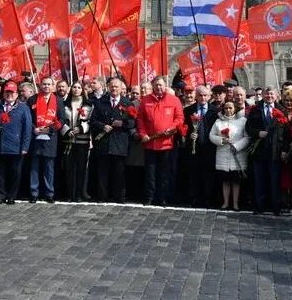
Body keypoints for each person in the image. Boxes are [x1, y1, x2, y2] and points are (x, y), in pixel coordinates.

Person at [135, 76, 184, 206]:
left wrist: (172, 128)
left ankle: (162, 198)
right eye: (156, 85)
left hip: (166, 143)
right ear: (153, 87)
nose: (159, 87)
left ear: (165, 85)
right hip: (150, 143)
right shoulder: (145, 100)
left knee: (164, 173)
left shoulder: (174, 100)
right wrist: (142, 133)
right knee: (150, 173)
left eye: (161, 85)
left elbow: (179, 118)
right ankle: (149, 197)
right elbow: (140, 119)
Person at [90, 77, 135, 203]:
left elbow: (132, 122)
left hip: (120, 143)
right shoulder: (101, 102)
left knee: (119, 173)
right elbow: (93, 121)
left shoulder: (127, 103)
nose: (114, 88)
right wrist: (102, 126)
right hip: (104, 143)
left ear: (121, 88)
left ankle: (119, 197)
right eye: (112, 86)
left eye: (116, 86)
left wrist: (122, 123)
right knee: (103, 172)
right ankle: (102, 196)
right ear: (108, 87)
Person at [246, 86, 286, 214]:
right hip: (260, 150)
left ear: (276, 96)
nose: (269, 96)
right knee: (259, 180)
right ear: (263, 95)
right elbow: (248, 128)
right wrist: (258, 133)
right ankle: (259, 206)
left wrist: (284, 149)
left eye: (271, 94)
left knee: (275, 180)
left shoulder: (282, 109)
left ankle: (275, 207)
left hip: (275, 150)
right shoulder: (255, 109)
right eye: (267, 94)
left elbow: (286, 132)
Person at [0, 82, 32, 204]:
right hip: (0, 145)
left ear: (16, 94)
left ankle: (12, 195)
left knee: (15, 173)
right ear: (3, 93)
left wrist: (25, 146)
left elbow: (27, 128)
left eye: (12, 92)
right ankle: (0, 196)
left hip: (16, 146)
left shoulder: (23, 108)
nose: (9, 95)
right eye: (7, 92)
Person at [27, 77, 65, 203]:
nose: (46, 86)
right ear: (40, 85)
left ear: (53, 86)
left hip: (50, 138)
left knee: (49, 168)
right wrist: (34, 129)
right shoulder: (32, 99)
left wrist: (51, 129)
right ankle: (34, 193)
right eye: (44, 84)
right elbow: (28, 119)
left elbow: (62, 119)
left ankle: (49, 193)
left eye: (49, 84)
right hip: (36, 137)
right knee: (34, 167)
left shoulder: (58, 100)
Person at [210, 100, 249, 211]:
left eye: (230, 108)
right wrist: (221, 140)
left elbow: (247, 137)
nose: (228, 110)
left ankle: (235, 203)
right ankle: (226, 202)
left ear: (235, 109)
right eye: (226, 108)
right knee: (225, 181)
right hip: (223, 154)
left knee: (236, 181)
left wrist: (236, 146)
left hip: (237, 154)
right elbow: (211, 135)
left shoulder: (242, 121)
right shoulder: (218, 121)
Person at [184, 86, 215, 208]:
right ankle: (194, 198)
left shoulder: (215, 111)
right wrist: (188, 135)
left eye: (205, 95)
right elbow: (184, 128)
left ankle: (207, 198)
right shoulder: (188, 110)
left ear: (209, 96)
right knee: (194, 174)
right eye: (200, 95)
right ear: (196, 96)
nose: (203, 97)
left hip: (209, 147)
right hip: (194, 148)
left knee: (208, 175)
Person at [62, 81, 93, 203]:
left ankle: (79, 194)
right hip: (68, 140)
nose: (76, 89)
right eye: (74, 87)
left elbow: (91, 121)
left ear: (82, 90)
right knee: (69, 168)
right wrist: (67, 130)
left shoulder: (88, 105)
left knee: (81, 169)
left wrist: (81, 128)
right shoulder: (64, 104)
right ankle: (70, 193)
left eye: (79, 87)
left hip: (82, 141)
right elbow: (60, 119)